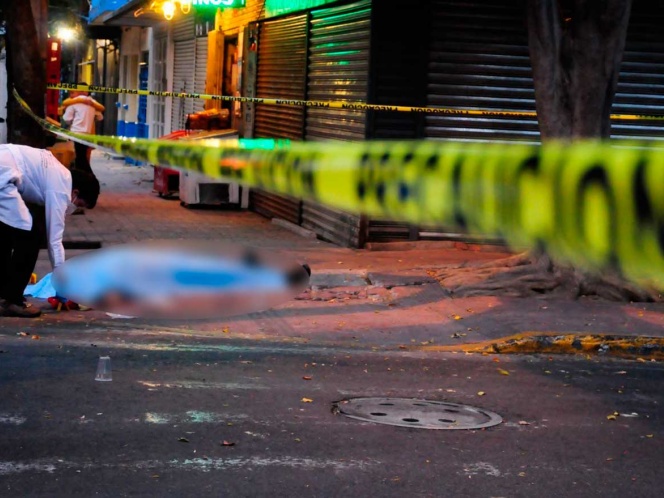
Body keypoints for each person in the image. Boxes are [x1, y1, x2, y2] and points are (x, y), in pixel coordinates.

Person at [0, 144, 100, 318]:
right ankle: (12, 300)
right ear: (75, 192)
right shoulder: (61, 189)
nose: (74, 208)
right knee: (31, 237)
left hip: (5, 169)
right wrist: (63, 288)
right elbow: (54, 241)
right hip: (4, 175)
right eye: (79, 204)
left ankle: (5, 294)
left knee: (7, 233)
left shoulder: (57, 172)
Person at [61, 83, 104, 180]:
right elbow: (100, 117)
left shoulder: (73, 102)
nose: (71, 95)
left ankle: (90, 179)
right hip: (88, 134)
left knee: (80, 158)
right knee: (83, 156)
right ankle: (85, 178)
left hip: (76, 133)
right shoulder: (93, 103)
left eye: (72, 92)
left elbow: (67, 119)